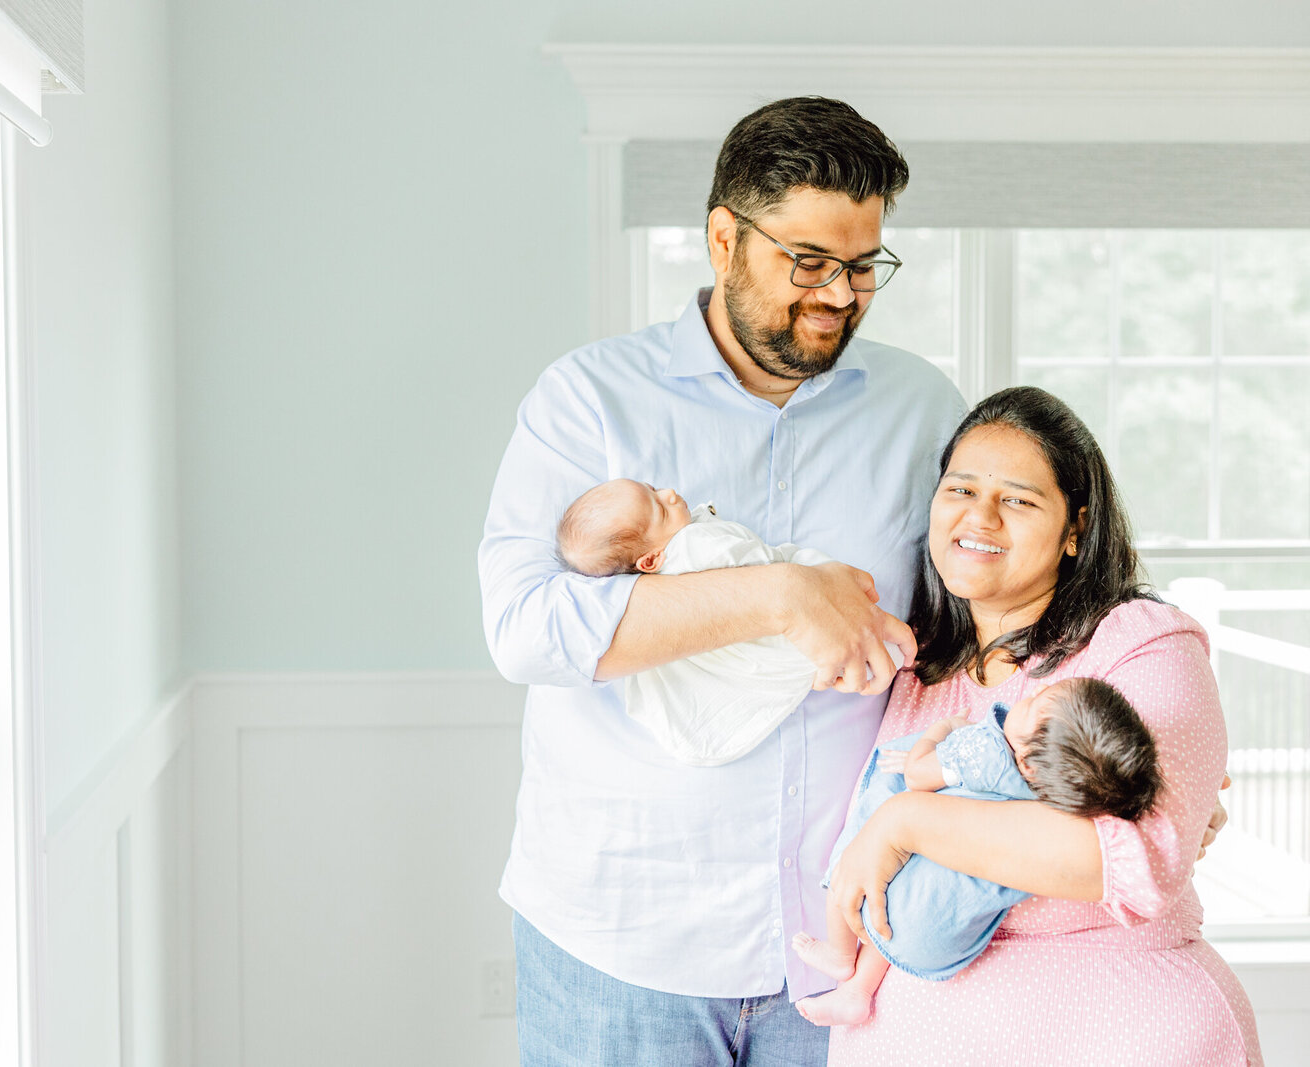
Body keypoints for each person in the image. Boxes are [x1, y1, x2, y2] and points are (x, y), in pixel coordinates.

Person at [479, 96, 968, 1066]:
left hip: (843, 947)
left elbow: (994, 612)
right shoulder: (589, 402)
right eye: (810, 262)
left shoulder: (922, 410)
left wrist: (1124, 737)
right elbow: (524, 627)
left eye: (865, 264)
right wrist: (782, 593)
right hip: (617, 946)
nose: (840, 293)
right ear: (721, 238)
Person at [822, 386, 1261, 1065]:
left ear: (1076, 528)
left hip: (1117, 1039)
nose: (980, 516)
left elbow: (1125, 861)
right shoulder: (916, 664)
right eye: (960, 489)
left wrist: (904, 824)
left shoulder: (1139, 643)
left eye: (1018, 499)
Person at [791, 677, 1162, 1027]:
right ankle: (857, 992)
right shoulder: (1060, 802)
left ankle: (840, 957)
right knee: (905, 896)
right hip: (943, 932)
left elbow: (917, 776)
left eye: (1034, 702)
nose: (1034, 691)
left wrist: (944, 731)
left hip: (898, 903)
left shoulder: (984, 753)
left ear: (1030, 764)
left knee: (852, 863)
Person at [557, 478, 836, 766]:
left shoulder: (657, 580)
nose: (671, 495)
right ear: (650, 561)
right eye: (662, 509)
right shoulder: (697, 545)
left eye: (653, 489)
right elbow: (765, 566)